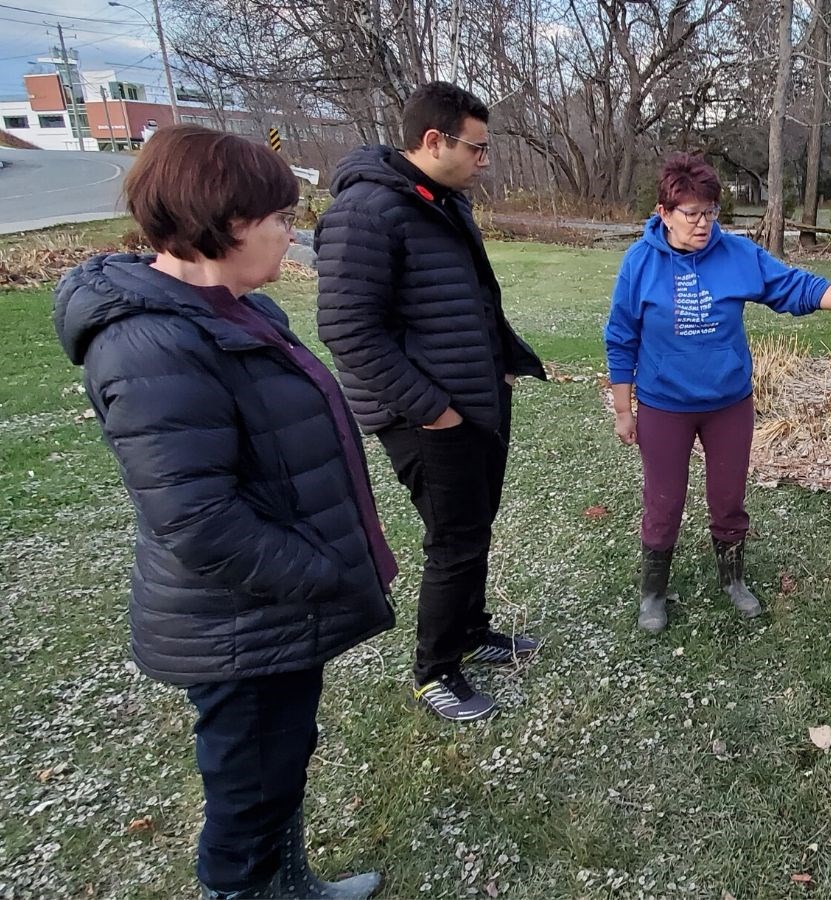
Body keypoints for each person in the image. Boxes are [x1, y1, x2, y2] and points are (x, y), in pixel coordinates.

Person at [53, 124, 394, 900]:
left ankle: (290, 883)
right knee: (247, 787)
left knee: (281, 760)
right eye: (280, 217)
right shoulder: (151, 346)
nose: (290, 234)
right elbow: (199, 519)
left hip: (277, 608)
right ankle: (243, 888)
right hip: (238, 621)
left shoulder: (241, 310)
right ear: (229, 222)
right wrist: (327, 571)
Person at [605, 154, 831, 634]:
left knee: (728, 498)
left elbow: (795, 286)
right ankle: (652, 593)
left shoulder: (736, 255)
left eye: (711, 212)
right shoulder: (640, 263)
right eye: (692, 214)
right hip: (665, 406)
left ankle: (732, 580)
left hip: (728, 405)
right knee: (664, 501)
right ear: (664, 213)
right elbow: (621, 336)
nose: (704, 223)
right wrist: (625, 409)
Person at [316, 81, 547, 722]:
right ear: (432, 140)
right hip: (427, 416)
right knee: (454, 539)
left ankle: (470, 633)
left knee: (474, 530)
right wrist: (431, 409)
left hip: (473, 401)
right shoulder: (366, 213)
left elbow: (472, 300)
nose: (484, 160)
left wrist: (501, 366)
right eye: (476, 148)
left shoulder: (442, 203)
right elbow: (347, 329)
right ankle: (434, 669)